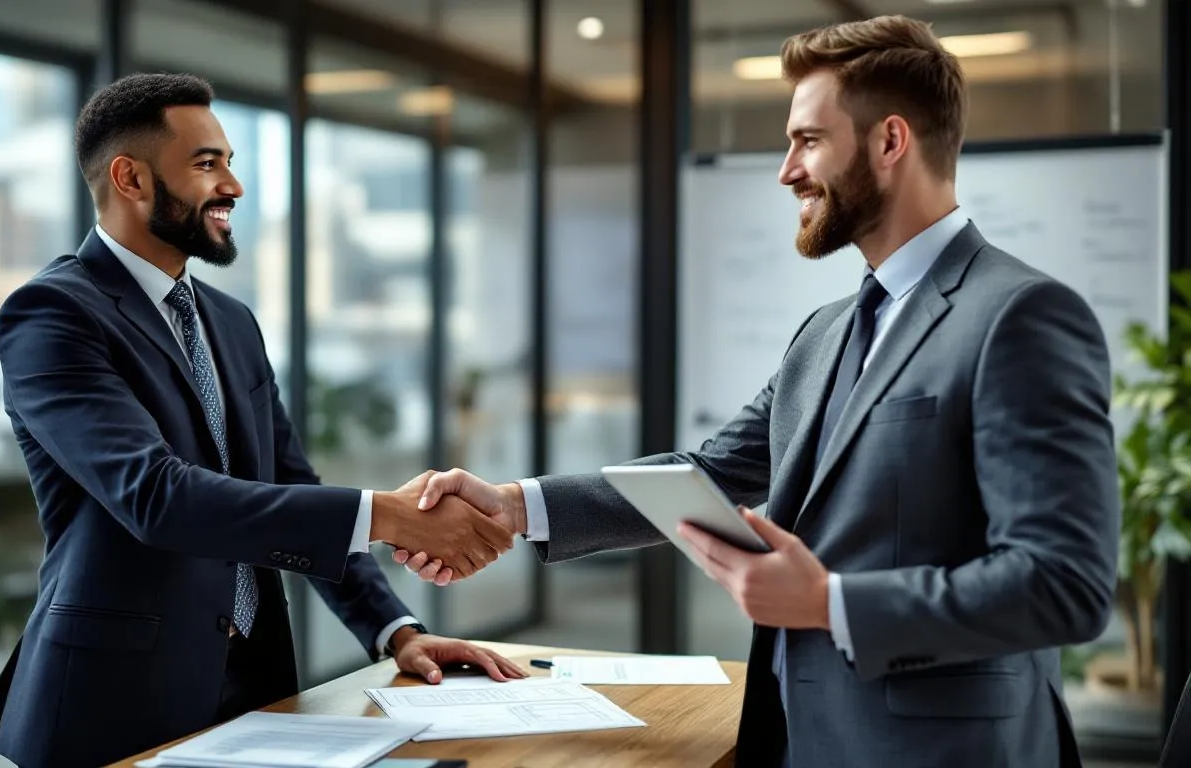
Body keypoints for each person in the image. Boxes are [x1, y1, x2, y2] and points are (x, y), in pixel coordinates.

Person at [397, 15, 1119, 768]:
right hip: (799, 736)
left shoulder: (1020, 315)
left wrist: (828, 603)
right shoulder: (827, 330)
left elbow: (1064, 583)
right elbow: (708, 472)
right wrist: (514, 507)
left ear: (889, 141)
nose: (787, 170)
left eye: (808, 140)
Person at [0, 72, 524, 768]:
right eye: (207, 164)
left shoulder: (230, 322)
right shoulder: (53, 315)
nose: (232, 185)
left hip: (253, 688)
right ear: (130, 178)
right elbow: (155, 497)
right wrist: (388, 515)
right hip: (111, 704)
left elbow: (289, 482)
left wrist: (395, 629)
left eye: (230, 161)